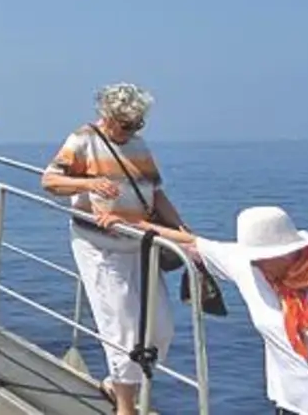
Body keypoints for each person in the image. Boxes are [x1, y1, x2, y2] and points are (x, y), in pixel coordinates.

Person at [40, 82, 188, 415]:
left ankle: (115, 383)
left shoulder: (138, 145)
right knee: (121, 328)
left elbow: (156, 194)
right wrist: (89, 182)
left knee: (160, 330)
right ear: (107, 116)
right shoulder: (83, 140)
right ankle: (126, 406)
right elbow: (49, 181)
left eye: (138, 124)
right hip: (99, 246)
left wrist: (181, 230)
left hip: (139, 243)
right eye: (126, 124)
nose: (132, 130)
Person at [149, 207, 308, 415]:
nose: (259, 265)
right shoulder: (251, 267)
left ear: (291, 251)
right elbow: (191, 242)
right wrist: (124, 222)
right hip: (292, 405)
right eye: (254, 259)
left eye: (265, 258)